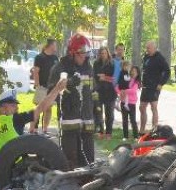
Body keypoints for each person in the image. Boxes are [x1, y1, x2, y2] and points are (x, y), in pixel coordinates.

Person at [0, 78, 67, 160]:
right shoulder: (15, 119)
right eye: (13, 105)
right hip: (11, 169)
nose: (17, 108)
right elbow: (41, 108)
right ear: (2, 109)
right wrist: (57, 89)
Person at [52, 33, 96, 168]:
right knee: (71, 156)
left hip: (87, 119)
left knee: (89, 157)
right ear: (71, 53)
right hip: (70, 118)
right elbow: (51, 91)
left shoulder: (88, 67)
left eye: (86, 53)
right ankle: (71, 181)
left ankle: (89, 180)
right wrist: (68, 82)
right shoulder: (61, 67)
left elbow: (93, 92)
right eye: (80, 54)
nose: (84, 56)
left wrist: (98, 112)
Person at [139, 40, 171, 134]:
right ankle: (141, 130)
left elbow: (167, 71)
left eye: (148, 48)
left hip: (154, 87)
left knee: (153, 107)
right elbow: (144, 70)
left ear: (154, 48)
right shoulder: (146, 56)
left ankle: (155, 130)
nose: (147, 49)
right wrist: (140, 81)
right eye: (146, 47)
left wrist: (161, 83)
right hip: (145, 86)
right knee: (142, 107)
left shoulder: (159, 58)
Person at [30, 39, 59, 133]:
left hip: (51, 88)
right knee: (39, 108)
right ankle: (33, 128)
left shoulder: (55, 58)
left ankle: (45, 129)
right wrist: (37, 85)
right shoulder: (39, 57)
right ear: (50, 45)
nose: (56, 47)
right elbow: (36, 72)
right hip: (42, 87)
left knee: (49, 109)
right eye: (55, 45)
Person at [93, 46, 117, 139]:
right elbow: (95, 76)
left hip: (110, 91)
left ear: (108, 54)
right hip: (99, 90)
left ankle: (108, 133)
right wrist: (102, 77)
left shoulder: (112, 63)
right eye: (101, 53)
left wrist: (105, 77)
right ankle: (100, 131)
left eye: (104, 53)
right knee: (98, 112)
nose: (103, 55)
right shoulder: (96, 63)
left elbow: (115, 79)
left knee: (109, 114)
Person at [118, 64, 141, 139]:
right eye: (132, 71)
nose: (133, 72)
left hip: (131, 103)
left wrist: (125, 90)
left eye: (135, 71)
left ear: (137, 73)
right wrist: (120, 91)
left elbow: (133, 91)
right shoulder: (126, 78)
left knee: (133, 120)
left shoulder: (136, 82)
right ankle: (125, 136)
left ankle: (136, 136)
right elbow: (118, 86)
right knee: (124, 120)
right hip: (124, 102)